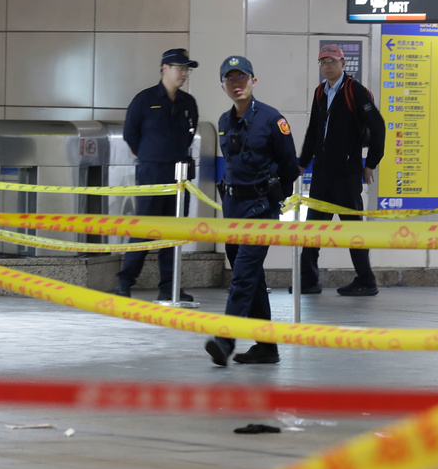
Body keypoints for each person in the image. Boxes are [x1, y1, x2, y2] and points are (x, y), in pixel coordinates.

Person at [205, 56, 300, 366]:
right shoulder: (223, 122)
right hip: (232, 209)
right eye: (230, 79)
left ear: (253, 81)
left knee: (243, 278)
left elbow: (290, 165)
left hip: (260, 210)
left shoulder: (273, 120)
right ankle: (266, 346)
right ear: (223, 85)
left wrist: (275, 198)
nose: (236, 84)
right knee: (252, 277)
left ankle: (226, 340)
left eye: (241, 78)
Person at [297, 44, 386, 297]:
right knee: (312, 230)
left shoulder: (353, 90)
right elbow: (314, 130)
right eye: (323, 61)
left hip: (346, 175)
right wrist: (303, 162)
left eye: (332, 61)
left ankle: (366, 281)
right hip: (322, 175)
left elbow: (378, 127)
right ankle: (308, 280)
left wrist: (371, 163)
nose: (328, 66)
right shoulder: (319, 93)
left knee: (353, 230)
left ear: (343, 63)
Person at [116, 48, 199, 302]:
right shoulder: (145, 99)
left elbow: (189, 133)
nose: (184, 73)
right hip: (152, 173)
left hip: (180, 175)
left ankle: (169, 286)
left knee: (173, 232)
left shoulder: (188, 103)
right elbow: (130, 133)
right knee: (144, 230)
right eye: (179, 68)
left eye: (187, 69)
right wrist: (150, 154)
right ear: (164, 68)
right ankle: (124, 282)